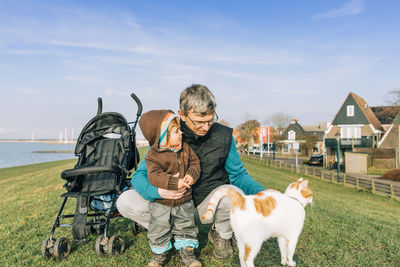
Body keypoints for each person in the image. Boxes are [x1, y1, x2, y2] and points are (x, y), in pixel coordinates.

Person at [117, 84, 264, 259]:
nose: (206, 127)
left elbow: (238, 175)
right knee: (124, 201)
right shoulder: (167, 133)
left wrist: (263, 193)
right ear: (182, 115)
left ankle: (221, 234)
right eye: (200, 122)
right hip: (170, 206)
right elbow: (140, 176)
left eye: (211, 120)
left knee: (234, 194)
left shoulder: (224, 136)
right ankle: (170, 233)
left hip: (204, 207)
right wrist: (158, 191)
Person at [139, 110, 202, 267]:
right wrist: (174, 183)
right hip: (161, 202)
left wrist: (191, 175)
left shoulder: (185, 148)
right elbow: (154, 176)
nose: (181, 133)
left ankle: (187, 253)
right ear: (162, 135)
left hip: (184, 199)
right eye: (176, 131)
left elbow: (195, 163)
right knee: (159, 226)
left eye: (180, 129)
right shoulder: (152, 156)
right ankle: (159, 254)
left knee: (186, 224)